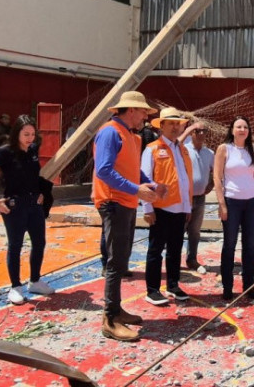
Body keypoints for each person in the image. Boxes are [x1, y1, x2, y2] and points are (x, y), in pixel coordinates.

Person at [93, 90, 163, 341]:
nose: (146, 116)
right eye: (143, 111)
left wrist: (150, 185)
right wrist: (137, 189)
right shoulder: (111, 132)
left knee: (121, 260)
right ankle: (110, 319)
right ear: (131, 110)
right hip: (114, 202)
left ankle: (116, 310)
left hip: (125, 202)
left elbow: (132, 170)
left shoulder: (131, 136)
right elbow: (103, 171)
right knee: (116, 263)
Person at [0, 114, 55, 305]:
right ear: (17, 133)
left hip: (34, 205)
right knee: (15, 245)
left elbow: (33, 176)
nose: (30, 138)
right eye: (26, 134)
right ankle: (15, 287)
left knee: (39, 242)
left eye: (32, 134)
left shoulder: (33, 150)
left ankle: (35, 281)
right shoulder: (5, 152)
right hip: (14, 206)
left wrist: (41, 193)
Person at [142, 107, 192, 305]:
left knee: (175, 249)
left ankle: (173, 285)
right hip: (161, 208)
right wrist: (147, 208)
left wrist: (187, 207)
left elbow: (185, 179)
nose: (174, 127)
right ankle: (152, 290)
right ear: (161, 126)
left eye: (177, 123)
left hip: (180, 208)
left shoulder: (182, 149)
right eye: (170, 123)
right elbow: (145, 179)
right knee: (155, 250)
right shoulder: (152, 149)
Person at [214, 116, 254, 301]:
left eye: (245, 127)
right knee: (229, 245)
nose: (242, 130)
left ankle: (249, 286)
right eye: (238, 127)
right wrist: (222, 204)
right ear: (232, 130)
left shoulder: (253, 148)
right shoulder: (224, 149)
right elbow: (217, 178)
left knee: (249, 245)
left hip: (252, 202)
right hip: (232, 202)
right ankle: (227, 287)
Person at [179, 120, 214, 273]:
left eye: (203, 131)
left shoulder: (209, 153)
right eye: (197, 131)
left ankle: (191, 259)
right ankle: (174, 261)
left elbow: (215, 171)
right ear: (191, 133)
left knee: (195, 231)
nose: (200, 134)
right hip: (184, 198)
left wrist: (211, 184)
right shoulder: (183, 149)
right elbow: (174, 145)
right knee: (179, 230)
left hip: (200, 199)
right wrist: (189, 129)